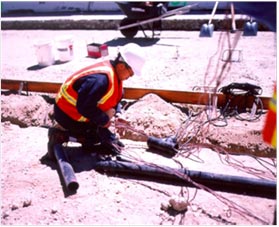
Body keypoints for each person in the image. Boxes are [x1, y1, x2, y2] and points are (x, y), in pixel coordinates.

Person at [42, 43, 146, 160]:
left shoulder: (114, 75)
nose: (130, 76)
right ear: (122, 66)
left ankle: (90, 136)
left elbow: (114, 97)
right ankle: (59, 135)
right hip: (67, 114)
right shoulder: (100, 80)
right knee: (94, 138)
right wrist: (104, 120)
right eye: (131, 73)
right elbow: (84, 107)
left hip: (79, 111)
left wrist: (118, 113)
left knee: (105, 138)